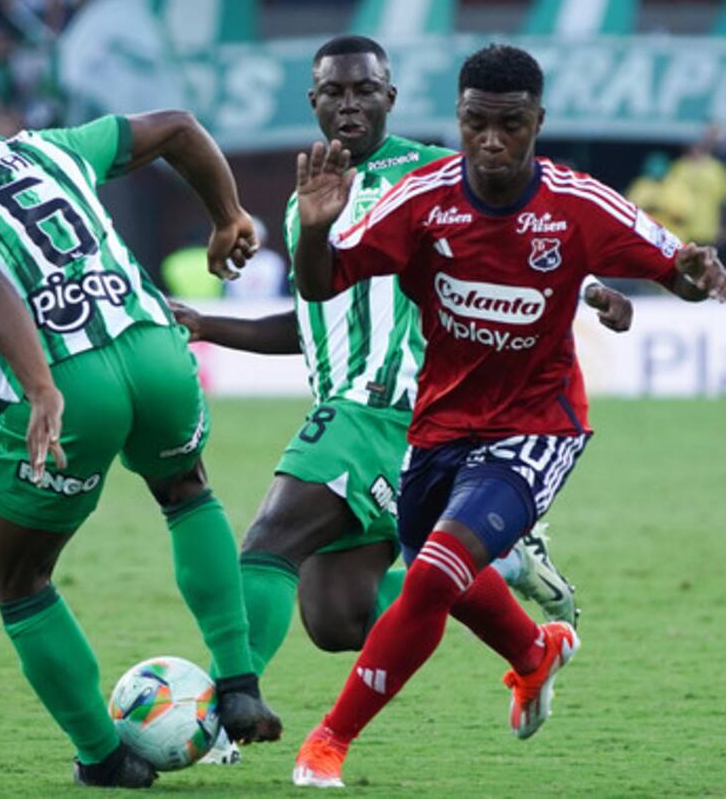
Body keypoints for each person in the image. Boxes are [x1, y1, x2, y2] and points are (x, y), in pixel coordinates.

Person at [176, 35, 631, 767]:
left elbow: (523, 231)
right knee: (337, 618)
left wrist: (591, 289)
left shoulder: (428, 170)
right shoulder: (308, 201)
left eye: (366, 90)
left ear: (390, 97)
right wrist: (207, 323)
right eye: (336, 91)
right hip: (356, 410)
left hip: (393, 405)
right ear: (314, 100)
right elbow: (314, 323)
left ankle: (227, 712)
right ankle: (525, 632)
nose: (350, 103)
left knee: (268, 542)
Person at [288, 43, 725, 788]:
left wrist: (698, 274)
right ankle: (533, 652)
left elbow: (680, 270)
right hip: (439, 427)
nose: (492, 142)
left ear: (538, 123)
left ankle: (327, 743)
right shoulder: (421, 201)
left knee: (430, 577)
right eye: (476, 124)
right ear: (457, 119)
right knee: (443, 568)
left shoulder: (580, 203)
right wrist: (313, 229)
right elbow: (323, 283)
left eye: (511, 126)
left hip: (538, 427)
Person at [0, 109, 282, 788]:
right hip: (155, 346)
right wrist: (228, 216)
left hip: (69, 381)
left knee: (15, 579)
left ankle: (103, 755)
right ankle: (238, 680)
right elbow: (179, 127)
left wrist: (39, 387)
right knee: (186, 489)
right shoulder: (44, 147)